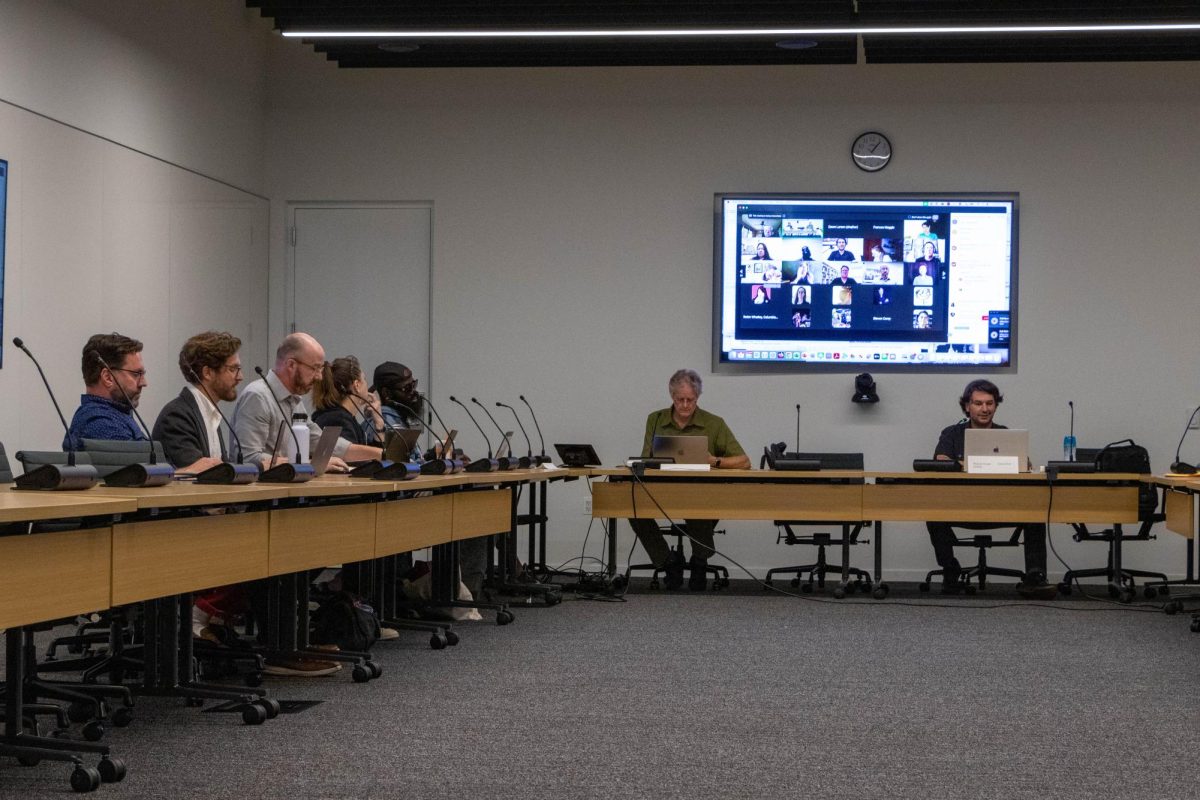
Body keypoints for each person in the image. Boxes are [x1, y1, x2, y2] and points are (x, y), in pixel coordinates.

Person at [927, 379, 1054, 598]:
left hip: (1000, 507)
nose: (984, 409)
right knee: (932, 514)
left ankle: (1035, 577)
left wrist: (1024, 463)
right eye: (978, 403)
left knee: (1035, 514)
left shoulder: (1005, 434)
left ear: (995, 406)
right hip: (961, 507)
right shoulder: (951, 433)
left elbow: (1024, 466)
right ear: (967, 406)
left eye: (990, 403)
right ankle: (951, 571)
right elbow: (940, 461)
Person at [630, 369, 749, 590]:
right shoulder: (655, 420)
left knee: (698, 497)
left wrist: (714, 461)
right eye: (680, 400)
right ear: (671, 396)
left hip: (701, 491)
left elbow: (744, 461)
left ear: (698, 398)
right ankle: (667, 561)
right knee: (631, 505)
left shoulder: (714, 423)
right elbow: (647, 459)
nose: (685, 405)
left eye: (690, 400)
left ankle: (699, 560)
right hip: (662, 490)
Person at [231, 332, 382, 470]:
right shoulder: (258, 397)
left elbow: (324, 444)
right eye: (315, 368)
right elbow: (248, 458)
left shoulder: (294, 400)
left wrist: (382, 454)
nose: (320, 377)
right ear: (291, 365)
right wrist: (310, 463)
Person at [151, 330, 241, 473]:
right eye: (233, 369)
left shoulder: (209, 412)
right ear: (207, 373)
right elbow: (198, 474)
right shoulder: (177, 416)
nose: (240, 377)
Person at [64, 333, 148, 450]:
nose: (144, 383)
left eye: (143, 374)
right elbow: (142, 467)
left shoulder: (118, 415)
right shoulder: (100, 423)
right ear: (107, 377)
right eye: (136, 374)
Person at [312, 356, 382, 447]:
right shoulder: (337, 421)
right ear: (357, 385)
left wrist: (379, 423)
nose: (367, 385)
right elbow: (356, 458)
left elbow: (374, 457)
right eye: (364, 379)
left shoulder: (344, 418)